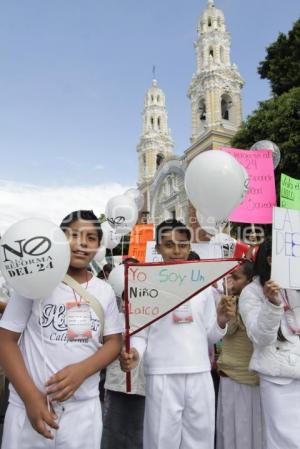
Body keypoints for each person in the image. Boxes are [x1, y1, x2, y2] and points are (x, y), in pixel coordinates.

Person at [0, 210, 123, 449]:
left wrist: (82, 371)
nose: (81, 244)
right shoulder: (33, 278)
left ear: (98, 246)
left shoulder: (104, 291)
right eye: (73, 235)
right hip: (30, 409)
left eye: (90, 238)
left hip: (82, 410)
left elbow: (114, 342)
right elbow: (6, 340)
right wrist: (30, 397)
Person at [120, 219, 235, 449]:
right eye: (169, 245)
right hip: (163, 374)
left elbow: (211, 335)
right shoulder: (145, 284)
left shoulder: (203, 286)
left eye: (182, 245)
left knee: (200, 439)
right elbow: (140, 333)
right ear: (158, 248)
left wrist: (222, 319)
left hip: (200, 372)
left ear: (189, 247)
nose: (176, 251)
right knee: (161, 440)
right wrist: (135, 353)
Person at [239, 237, 300, 449]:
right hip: (277, 377)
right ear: (271, 259)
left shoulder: (295, 284)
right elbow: (260, 337)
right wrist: (272, 304)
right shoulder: (252, 292)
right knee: (284, 440)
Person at [216, 261, 264, 449]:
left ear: (251, 281)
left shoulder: (256, 304)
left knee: (249, 431)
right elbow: (225, 331)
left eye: (236, 278)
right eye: (229, 277)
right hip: (232, 376)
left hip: (249, 377)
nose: (230, 282)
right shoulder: (228, 301)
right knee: (231, 430)